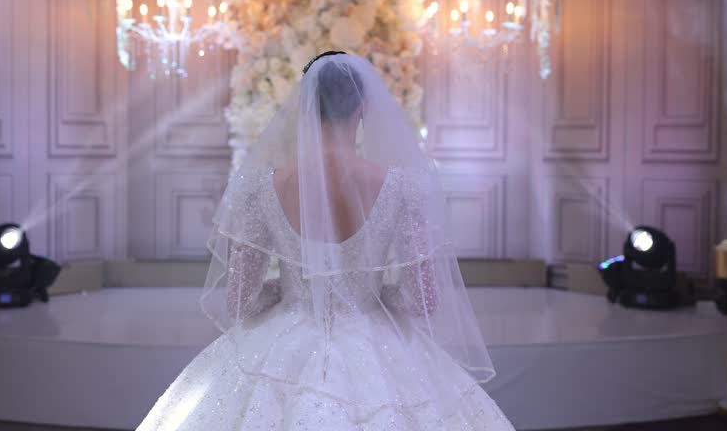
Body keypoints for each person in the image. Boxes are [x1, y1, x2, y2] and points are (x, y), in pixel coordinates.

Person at [137, 51, 515, 430]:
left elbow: (239, 301)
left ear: (305, 105)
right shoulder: (403, 188)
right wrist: (377, 297)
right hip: (377, 341)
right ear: (365, 106)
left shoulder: (260, 187)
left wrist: (287, 292)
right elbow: (425, 298)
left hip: (284, 338)